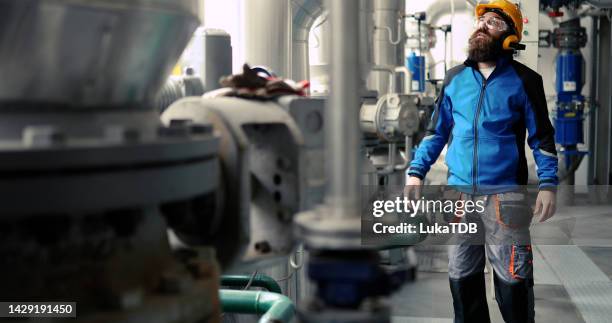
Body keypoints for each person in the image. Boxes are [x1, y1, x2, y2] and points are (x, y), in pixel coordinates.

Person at [404, 1, 558, 322]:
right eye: (481, 20)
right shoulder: (454, 79)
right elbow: (436, 132)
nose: (482, 26)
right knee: (463, 277)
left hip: (507, 197)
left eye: (493, 22)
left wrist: (548, 184)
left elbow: (541, 136)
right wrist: (416, 171)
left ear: (509, 38)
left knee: (513, 281)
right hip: (459, 198)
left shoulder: (525, 80)